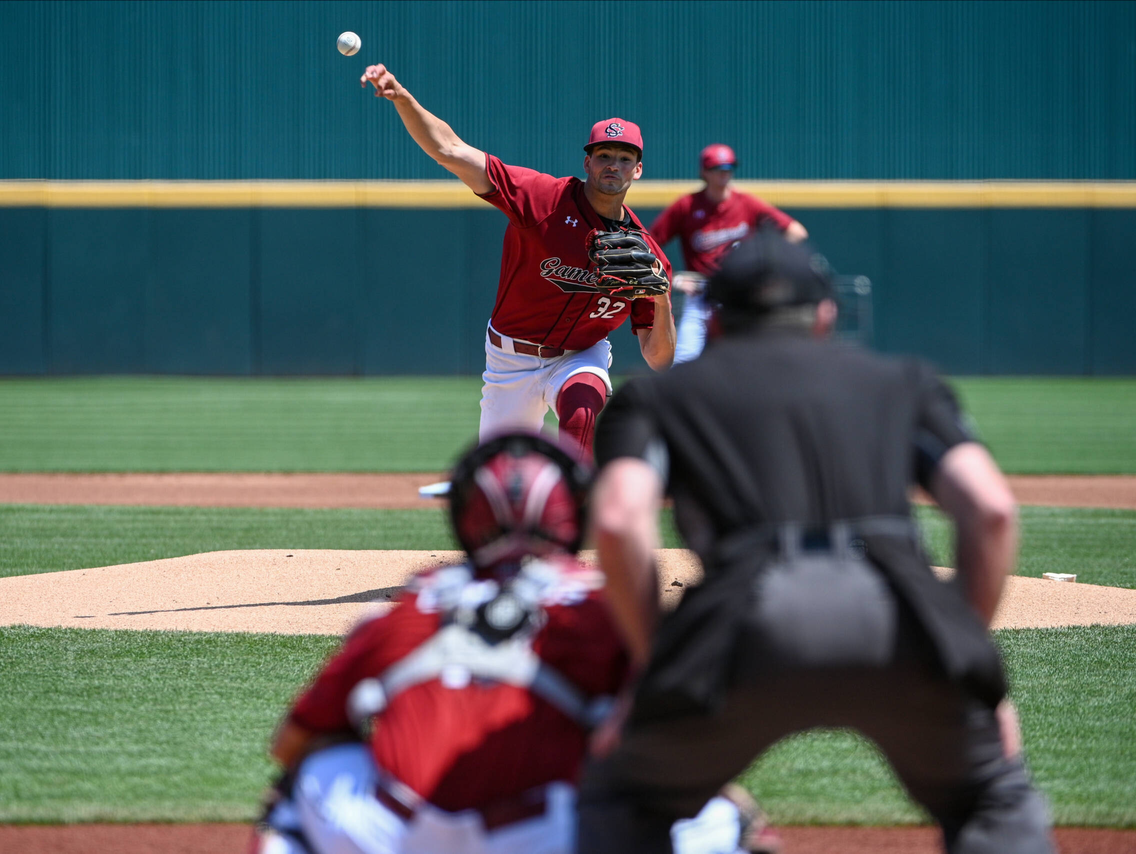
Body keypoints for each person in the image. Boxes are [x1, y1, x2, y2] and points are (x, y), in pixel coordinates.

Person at [577, 230, 1057, 853]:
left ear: (715, 318)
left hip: (743, 625)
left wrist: (654, 665)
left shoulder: (658, 397)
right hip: (900, 620)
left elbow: (618, 519)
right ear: (827, 313)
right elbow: (991, 510)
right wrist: (961, 651)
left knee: (625, 796)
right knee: (989, 794)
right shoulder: (905, 381)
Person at [251, 432, 771, 854]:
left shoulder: (411, 604)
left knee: (302, 780)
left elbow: (289, 742)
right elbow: (676, 733)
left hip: (394, 835)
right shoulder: (598, 607)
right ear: (572, 516)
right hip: (544, 836)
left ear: (465, 517)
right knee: (725, 814)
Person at [360, 64, 677, 460]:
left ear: (638, 169)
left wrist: (661, 299)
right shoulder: (542, 198)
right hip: (510, 359)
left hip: (581, 356)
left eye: (625, 158)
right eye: (604, 155)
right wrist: (402, 98)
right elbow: (450, 150)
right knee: (499, 469)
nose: (613, 164)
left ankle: (576, 495)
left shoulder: (647, 258)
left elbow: (659, 359)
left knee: (581, 412)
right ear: (587, 163)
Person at [649, 144, 807, 364]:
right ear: (704, 172)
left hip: (739, 292)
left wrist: (764, 262)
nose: (724, 174)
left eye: (728, 168)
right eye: (717, 169)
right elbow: (649, 246)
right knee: (684, 361)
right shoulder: (687, 206)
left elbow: (796, 232)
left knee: (747, 361)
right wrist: (673, 279)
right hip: (702, 293)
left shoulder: (746, 203)